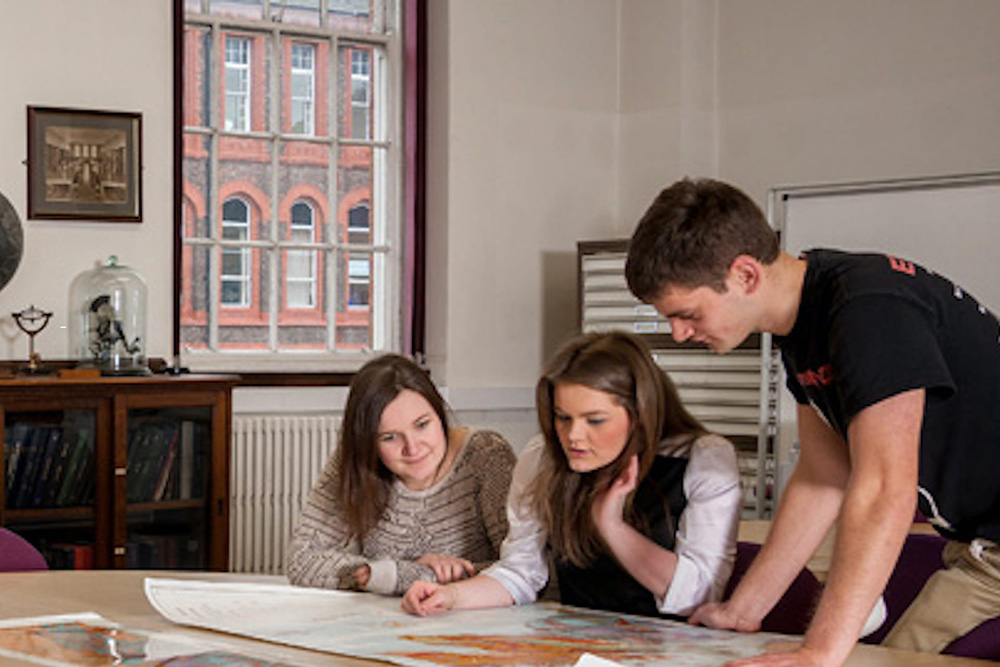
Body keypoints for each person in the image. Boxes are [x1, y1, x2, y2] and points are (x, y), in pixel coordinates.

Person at [625, 177, 1000, 666]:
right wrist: (744, 610)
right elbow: (824, 477)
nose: (678, 334)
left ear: (745, 275)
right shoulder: (810, 323)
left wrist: (819, 652)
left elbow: (886, 488)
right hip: (978, 551)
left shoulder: (870, 310)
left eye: (687, 313)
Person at [402, 331, 742, 619]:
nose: (573, 436)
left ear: (641, 413)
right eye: (563, 418)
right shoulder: (543, 458)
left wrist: (611, 526)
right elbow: (521, 574)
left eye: (595, 420)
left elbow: (698, 596)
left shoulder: (704, 460)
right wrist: (452, 597)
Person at [287, 354, 517, 596]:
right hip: (385, 622)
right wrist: (399, 574)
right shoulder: (356, 461)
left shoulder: (486, 456)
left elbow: (526, 571)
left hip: (475, 621)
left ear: (439, 413)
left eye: (422, 425)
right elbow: (302, 561)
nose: (413, 448)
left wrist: (395, 577)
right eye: (389, 437)